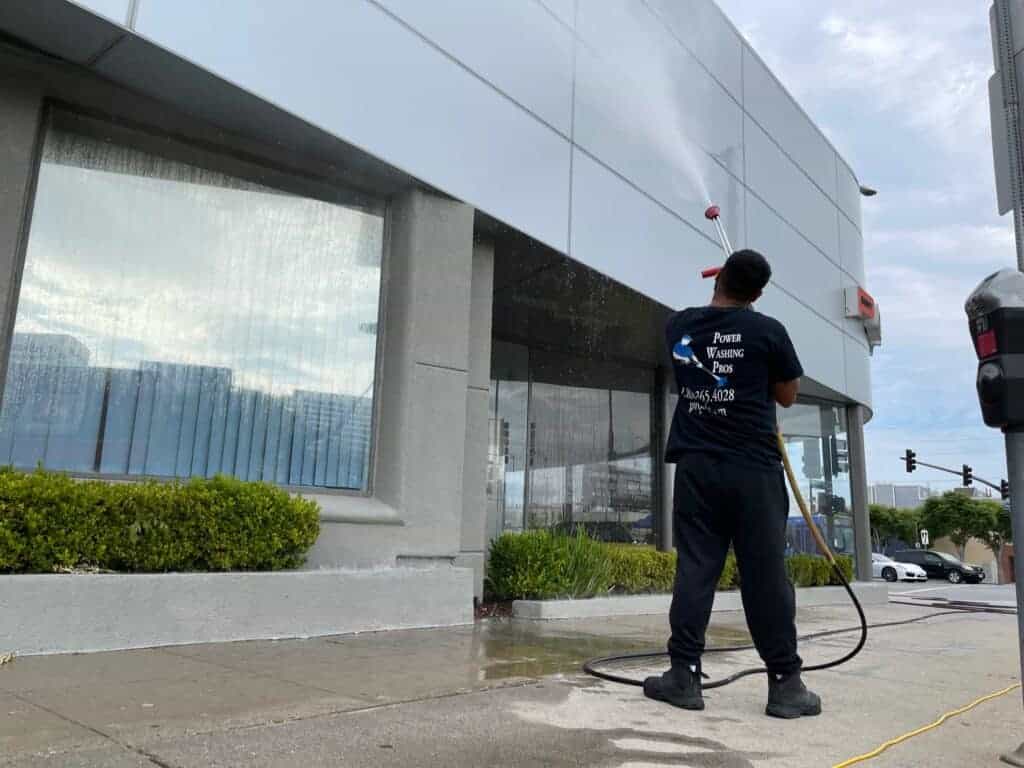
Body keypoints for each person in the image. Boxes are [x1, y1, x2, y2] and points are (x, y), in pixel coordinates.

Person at [643, 249, 821, 719]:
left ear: (718, 276)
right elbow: (787, 395)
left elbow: (707, 345)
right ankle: (785, 685)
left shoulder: (679, 325)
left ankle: (683, 675)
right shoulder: (768, 331)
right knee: (764, 575)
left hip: (698, 469)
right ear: (758, 293)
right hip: (754, 472)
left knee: (696, 569)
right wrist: (751, 337)